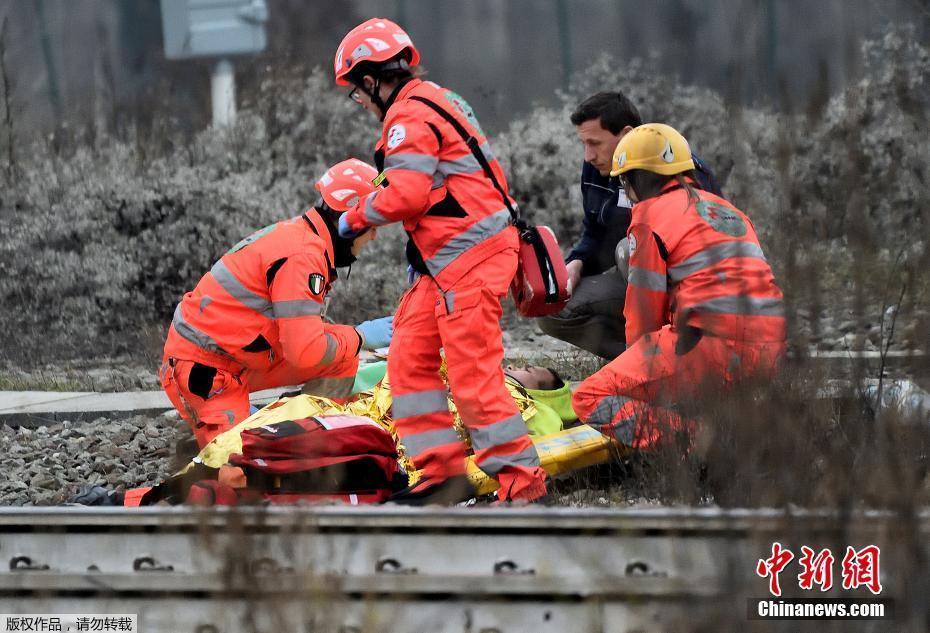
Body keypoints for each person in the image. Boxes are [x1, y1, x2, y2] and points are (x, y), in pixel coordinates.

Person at [332, 18, 547, 502]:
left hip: (468, 261)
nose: (359, 102)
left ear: (372, 78)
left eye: (356, 91)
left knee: (473, 377)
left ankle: (523, 485)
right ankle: (442, 477)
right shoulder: (436, 101)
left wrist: (351, 220)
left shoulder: (407, 117)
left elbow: (404, 195)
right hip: (447, 264)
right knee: (408, 363)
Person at [572, 123, 786, 451]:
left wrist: (633, 374)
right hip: (769, 348)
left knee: (590, 397)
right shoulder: (730, 212)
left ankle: (704, 445)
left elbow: (643, 312)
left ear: (634, 179)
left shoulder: (649, 216)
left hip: (709, 344)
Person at [160, 159, 394, 448]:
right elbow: (305, 352)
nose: (374, 234)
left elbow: (304, 337)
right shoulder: (303, 257)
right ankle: (264, 437)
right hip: (205, 372)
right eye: (371, 223)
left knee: (342, 357)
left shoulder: (303, 239)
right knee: (240, 473)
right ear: (347, 220)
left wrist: (354, 339)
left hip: (234, 359)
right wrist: (360, 336)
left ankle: (312, 438)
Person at [538, 92, 722, 359]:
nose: (588, 155)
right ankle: (641, 359)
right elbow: (595, 232)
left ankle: (681, 357)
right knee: (553, 310)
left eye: (594, 143)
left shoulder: (674, 165)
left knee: (630, 248)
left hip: (692, 289)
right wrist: (574, 265)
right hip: (635, 278)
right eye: (583, 144)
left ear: (626, 134)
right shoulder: (595, 167)